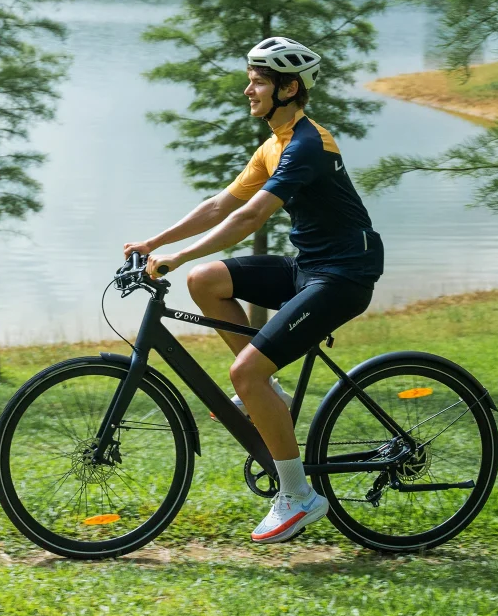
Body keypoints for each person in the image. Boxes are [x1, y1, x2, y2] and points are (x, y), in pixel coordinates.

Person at [123, 37, 384, 543]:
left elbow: (251, 216)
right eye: (252, 79)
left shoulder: (308, 144)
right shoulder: (274, 144)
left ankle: (298, 495)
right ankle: (270, 392)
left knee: (244, 371)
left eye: (259, 81)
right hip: (310, 265)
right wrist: (154, 242)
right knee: (206, 281)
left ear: (289, 89)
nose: (248, 89)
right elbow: (222, 204)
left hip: (344, 276)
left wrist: (178, 255)